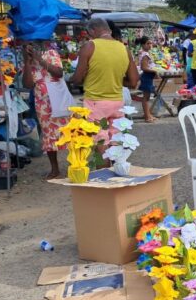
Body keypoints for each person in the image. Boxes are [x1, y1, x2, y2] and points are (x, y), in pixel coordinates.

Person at [72, 17, 139, 147]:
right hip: (117, 102)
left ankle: (104, 168)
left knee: (100, 143)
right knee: (116, 142)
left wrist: (74, 78)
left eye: (88, 33)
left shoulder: (89, 46)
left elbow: (77, 79)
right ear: (108, 30)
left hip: (95, 103)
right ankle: (116, 167)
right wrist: (115, 79)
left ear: (92, 30)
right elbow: (133, 82)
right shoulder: (124, 49)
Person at [22, 41, 69, 179]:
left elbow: (59, 73)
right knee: (48, 133)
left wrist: (40, 60)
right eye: (27, 47)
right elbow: (28, 84)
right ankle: (55, 169)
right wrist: (27, 63)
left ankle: (75, 162)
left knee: (68, 130)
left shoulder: (51, 54)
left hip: (59, 97)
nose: (29, 48)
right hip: (42, 102)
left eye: (31, 45)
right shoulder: (28, 62)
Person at [136, 36, 157, 123]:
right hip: (146, 76)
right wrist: (155, 71)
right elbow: (144, 68)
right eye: (147, 43)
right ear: (143, 44)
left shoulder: (144, 53)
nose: (150, 45)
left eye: (150, 43)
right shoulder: (145, 55)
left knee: (147, 97)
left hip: (148, 76)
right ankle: (147, 116)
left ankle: (147, 114)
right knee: (146, 97)